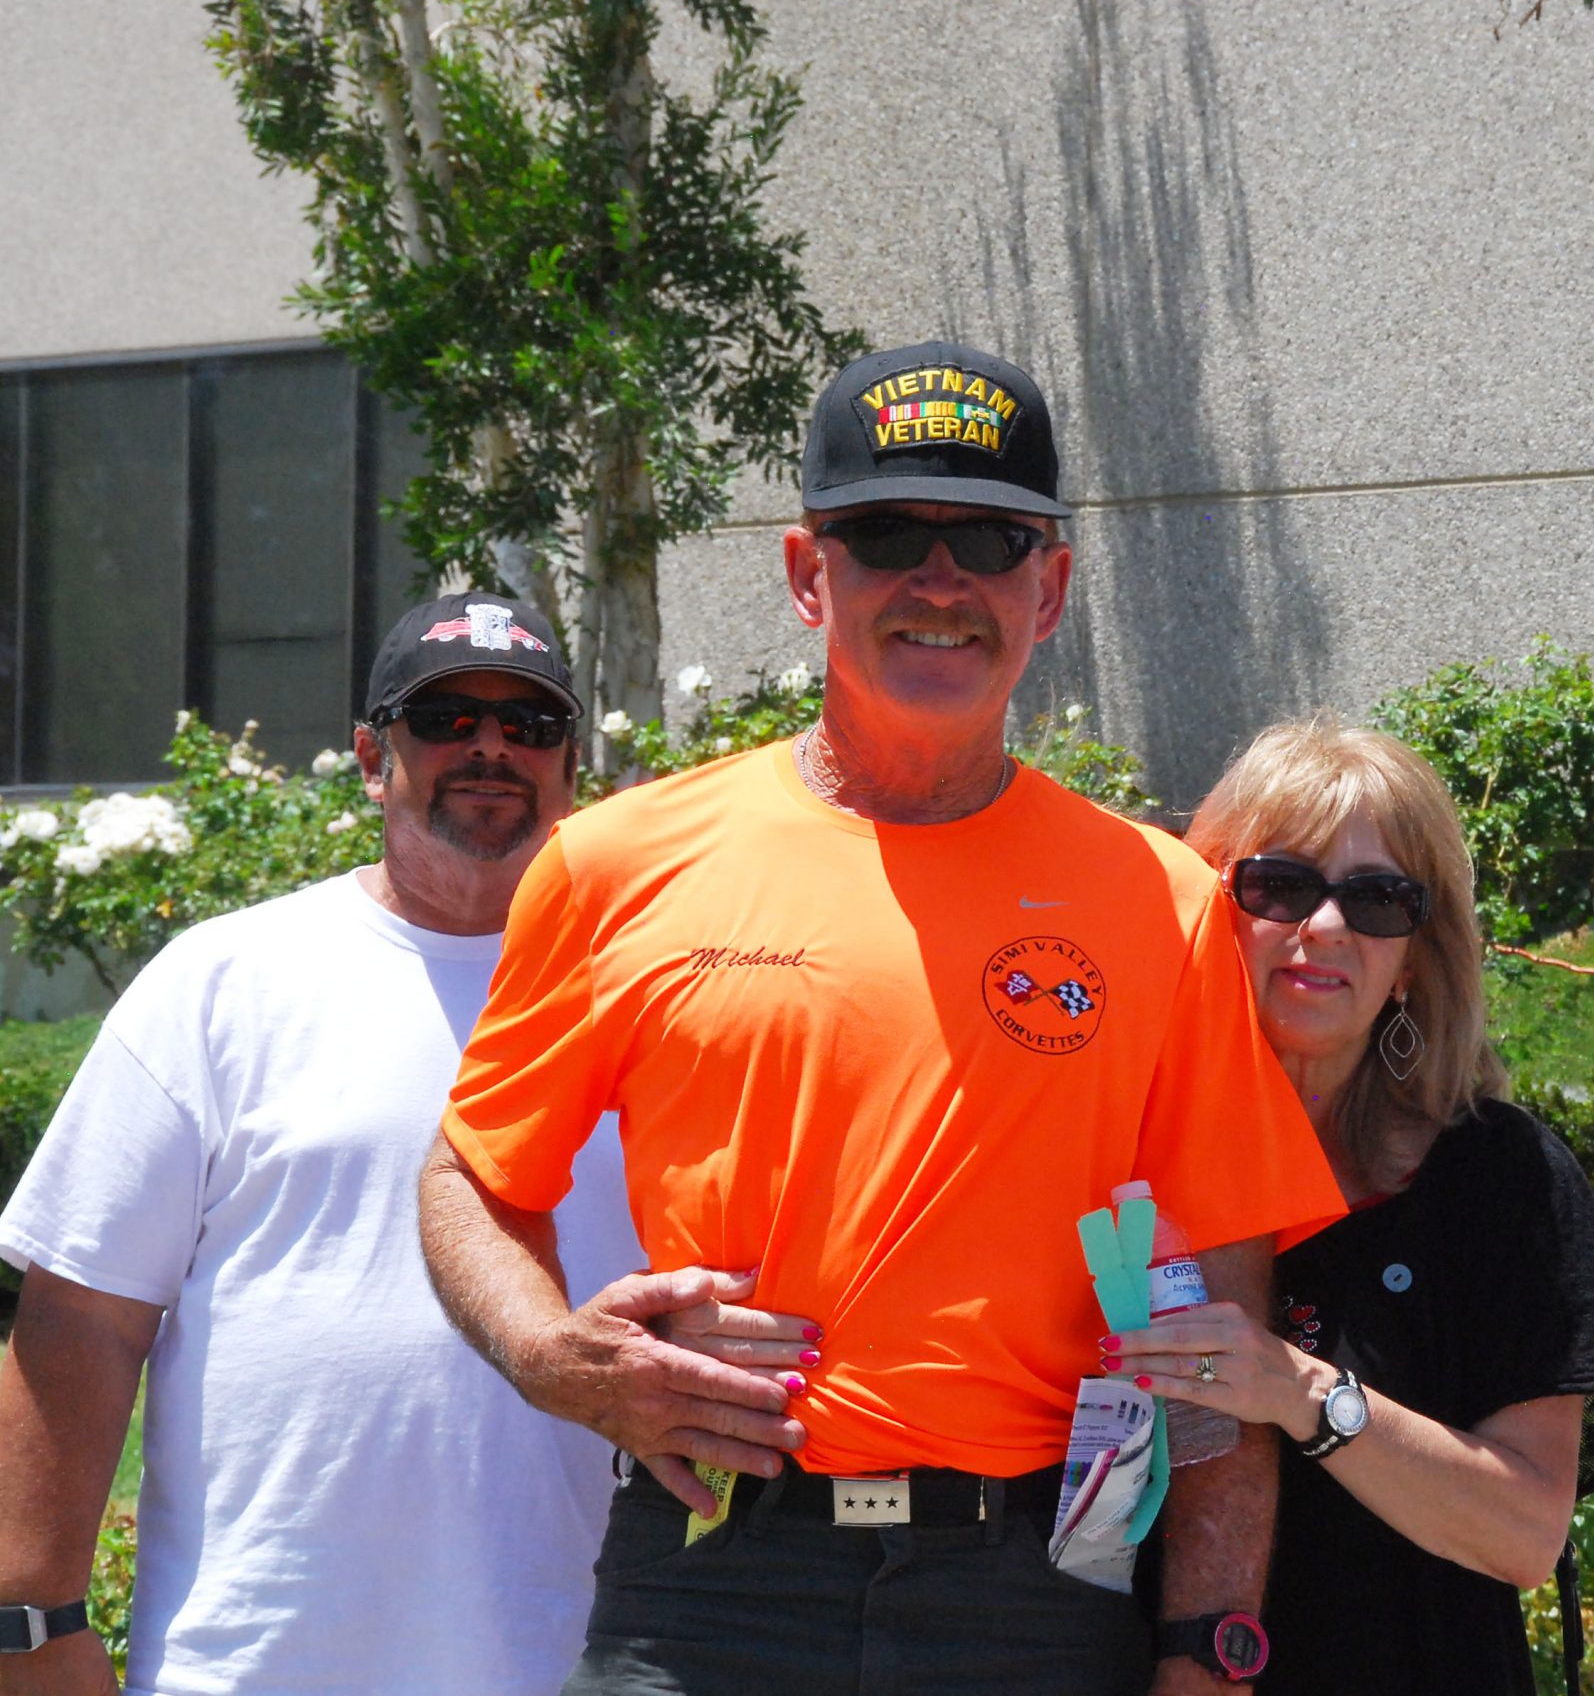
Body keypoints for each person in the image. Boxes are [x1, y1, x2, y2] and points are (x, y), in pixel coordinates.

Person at [416, 342, 1345, 1696]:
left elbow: (1218, 1307)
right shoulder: (620, 862)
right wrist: (556, 1354)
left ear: (1054, 587)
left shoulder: (1162, 902)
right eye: (888, 533)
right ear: (809, 573)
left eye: (989, 537)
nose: (941, 577)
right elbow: (470, 1176)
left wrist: (1207, 1646)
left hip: (1028, 1588)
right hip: (714, 1572)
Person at [0, 593, 653, 1694]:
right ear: (369, 755)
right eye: (446, 717)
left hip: (575, 1662)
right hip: (258, 1663)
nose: (490, 745)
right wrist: (33, 1625)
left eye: (529, 724)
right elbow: (80, 1321)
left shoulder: (653, 1003)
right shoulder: (227, 983)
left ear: (571, 771)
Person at [1098, 719, 1594, 1695]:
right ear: (1209, 911)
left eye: (1376, 899)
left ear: (1411, 958)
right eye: (1279, 884)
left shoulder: (1498, 1180)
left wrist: (1296, 1390)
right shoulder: (1109, 1157)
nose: (1324, 926)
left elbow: (1526, 1533)